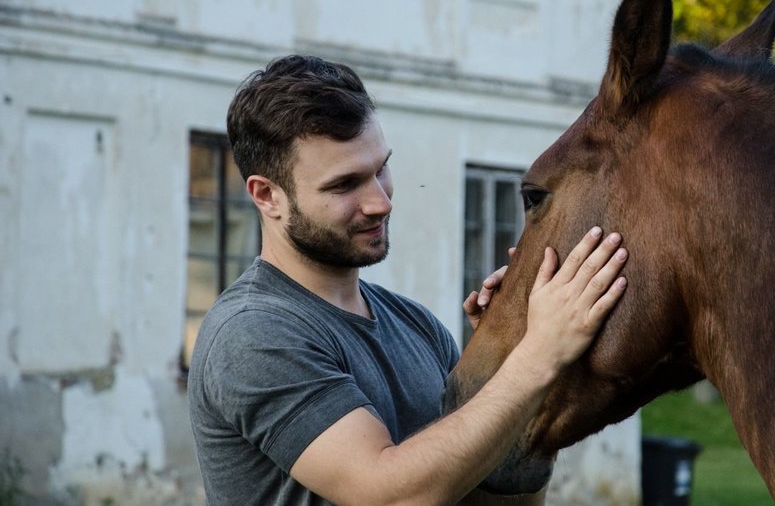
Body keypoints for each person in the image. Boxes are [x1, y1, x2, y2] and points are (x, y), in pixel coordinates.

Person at [187, 54, 629, 505]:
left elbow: (499, 502)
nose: (380, 202)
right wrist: (537, 357)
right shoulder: (251, 334)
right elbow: (390, 497)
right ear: (267, 195)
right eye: (344, 185)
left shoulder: (417, 326)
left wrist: (518, 359)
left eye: (380, 169)